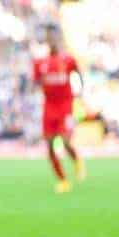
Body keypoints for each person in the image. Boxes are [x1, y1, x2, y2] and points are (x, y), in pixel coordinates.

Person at [32, 32, 86, 193]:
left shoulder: (68, 60)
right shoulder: (40, 63)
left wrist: (80, 91)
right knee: (49, 145)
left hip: (65, 106)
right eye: (50, 41)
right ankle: (63, 180)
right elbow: (35, 81)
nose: (53, 44)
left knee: (65, 140)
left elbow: (78, 73)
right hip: (49, 107)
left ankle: (76, 160)